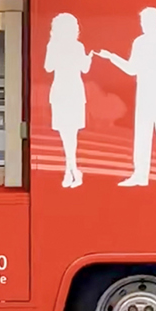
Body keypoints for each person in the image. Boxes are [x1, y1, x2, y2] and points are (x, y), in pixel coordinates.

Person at [98, 7, 156, 197]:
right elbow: (132, 69)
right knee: (142, 135)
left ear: (154, 21)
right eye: (141, 22)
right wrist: (111, 57)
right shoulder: (139, 42)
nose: (142, 25)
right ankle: (140, 175)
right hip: (144, 94)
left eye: (144, 22)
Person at [44, 13, 93, 188]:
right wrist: (89, 58)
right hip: (73, 92)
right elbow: (85, 68)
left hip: (60, 91)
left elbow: (48, 67)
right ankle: (72, 170)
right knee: (71, 134)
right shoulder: (78, 46)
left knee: (67, 134)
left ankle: (70, 171)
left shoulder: (53, 45)